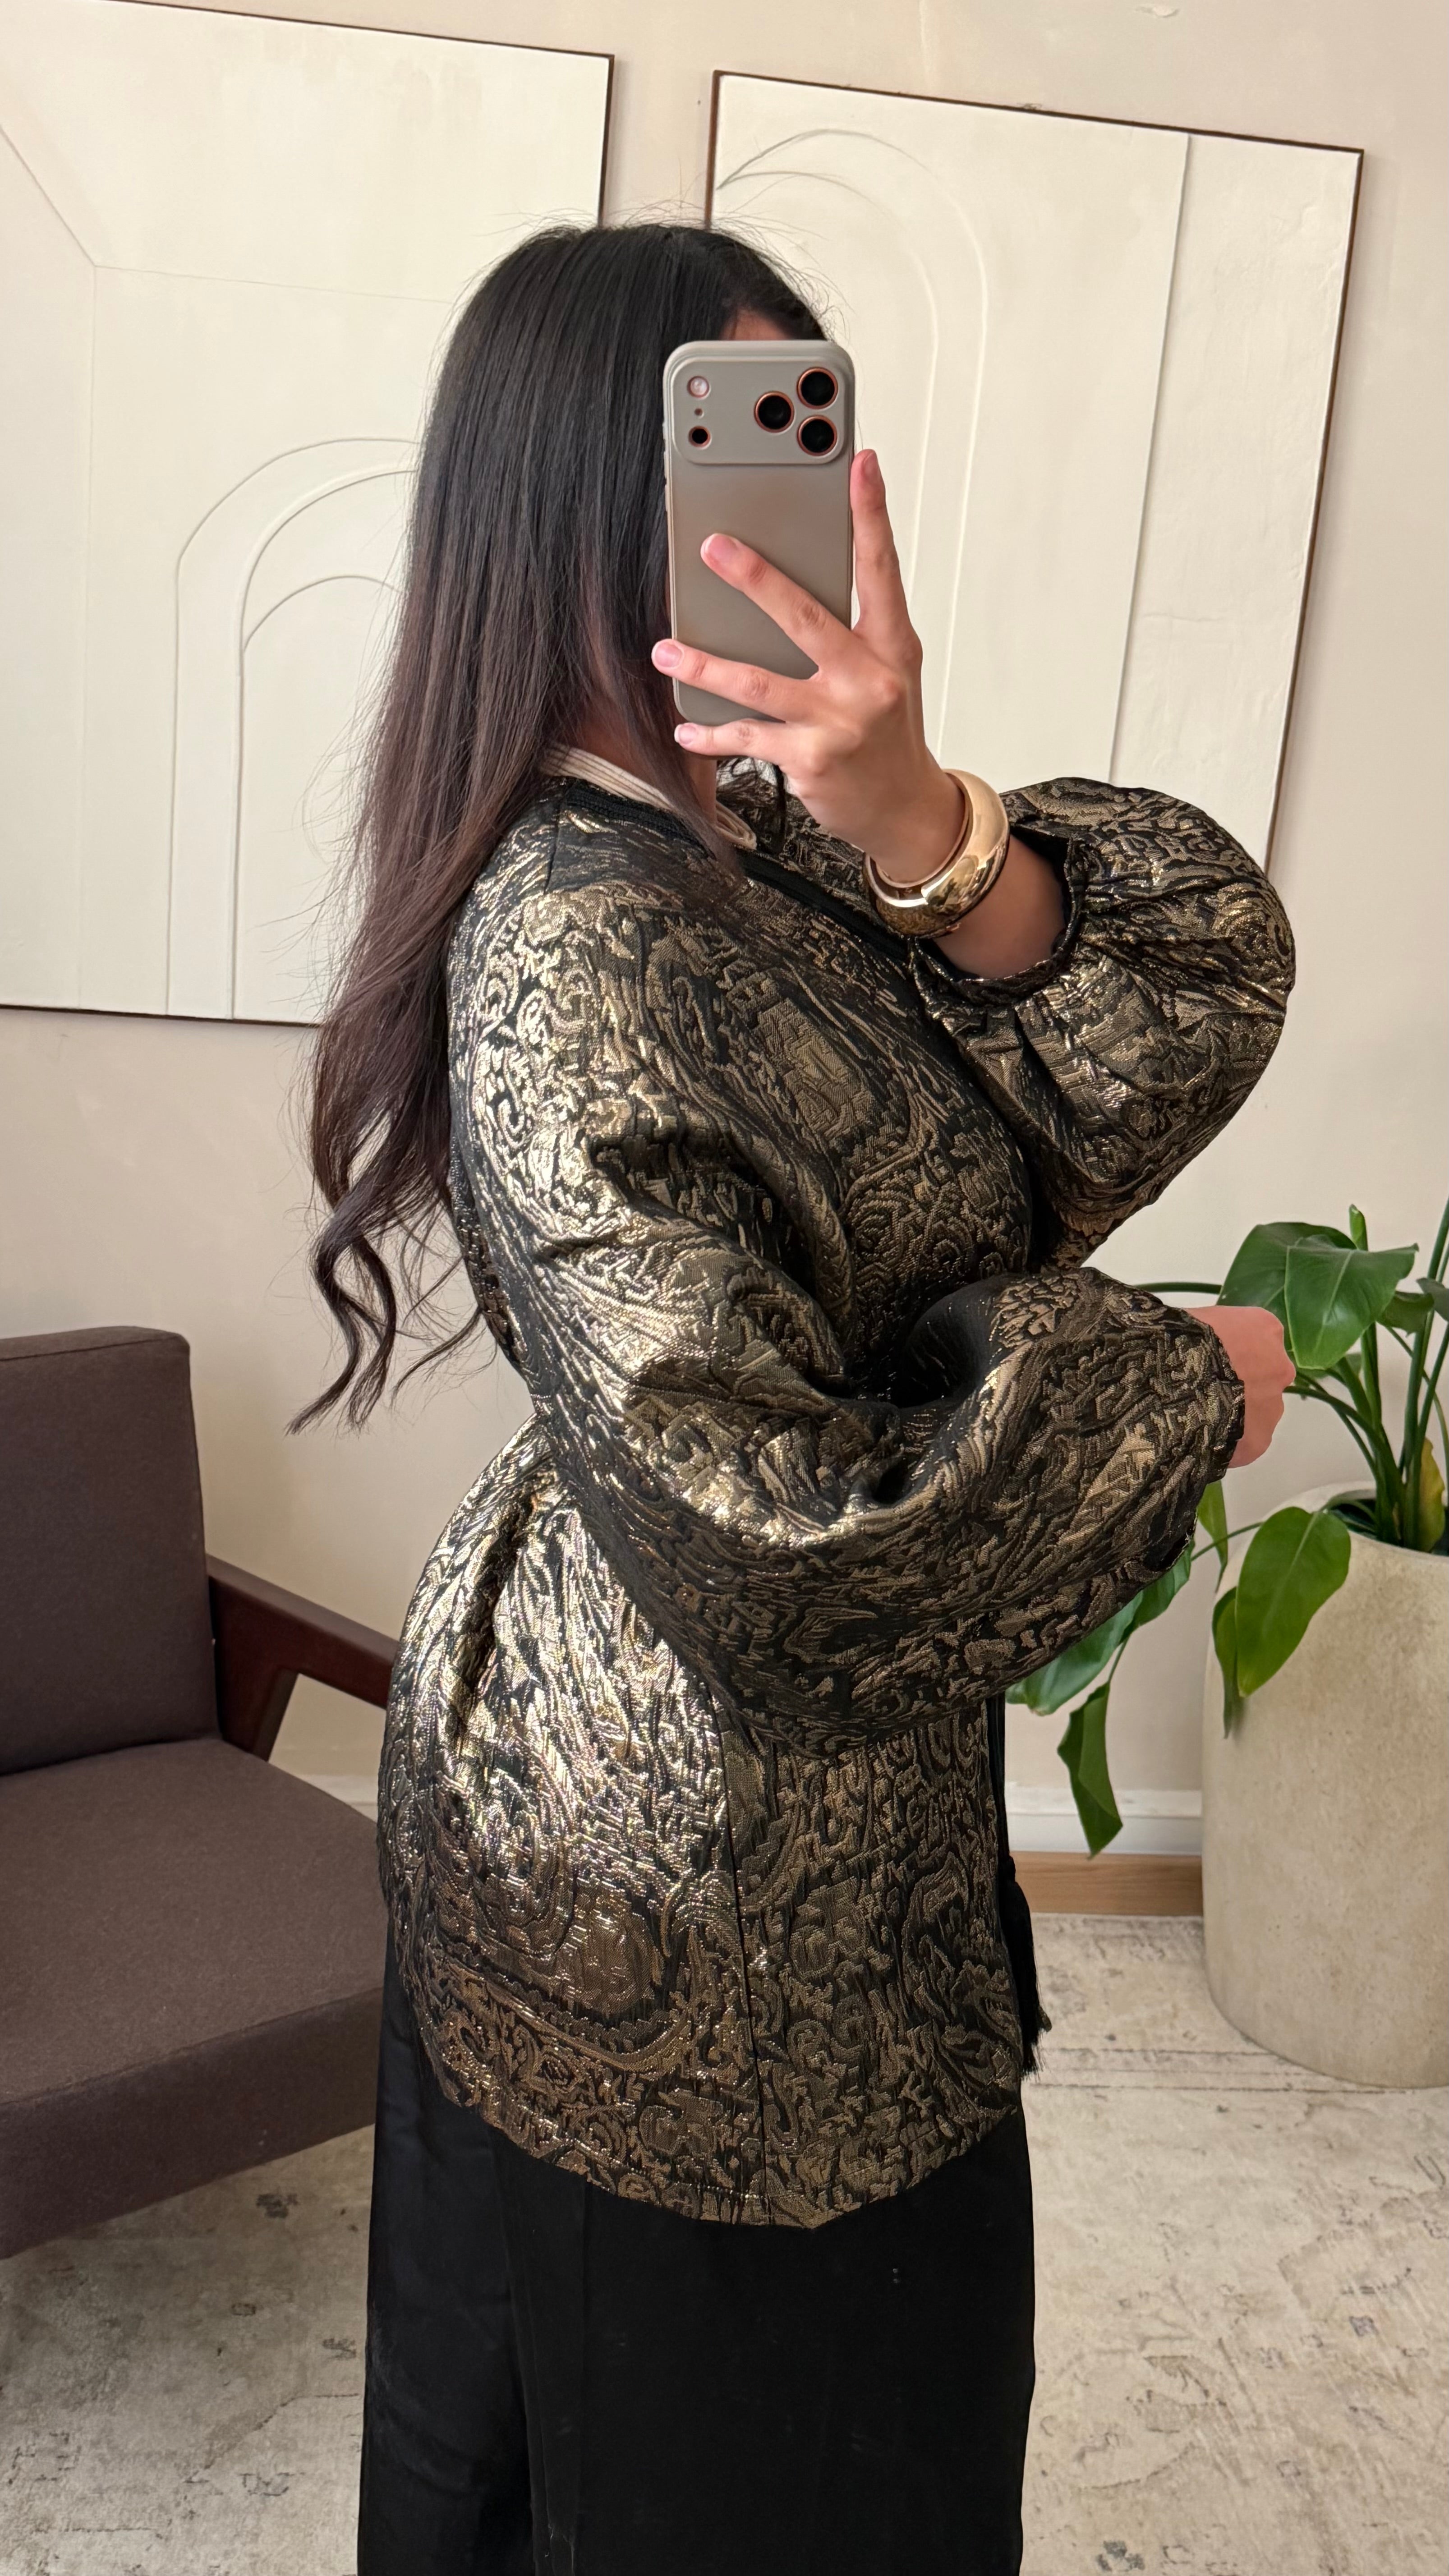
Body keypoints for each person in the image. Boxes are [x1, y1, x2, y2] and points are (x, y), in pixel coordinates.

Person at [300, 222, 1295, 2576]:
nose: (803, 519)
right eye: (727, 455)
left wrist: (925, 814)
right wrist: (1183, 1386)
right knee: (746, 2470)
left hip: (763, 1833)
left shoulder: (762, 842)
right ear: (579, 500)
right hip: (692, 1880)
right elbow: (782, 1555)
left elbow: (1188, 993)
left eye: (811, 443)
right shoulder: (577, 941)